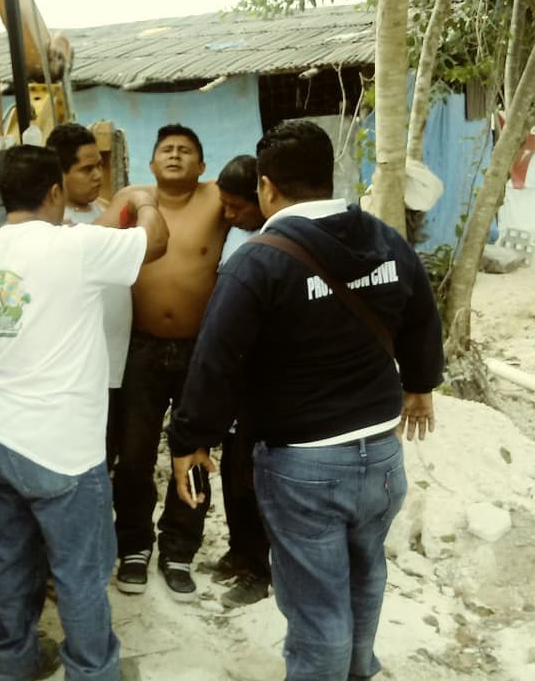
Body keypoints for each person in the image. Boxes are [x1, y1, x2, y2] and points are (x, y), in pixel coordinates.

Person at [167, 119, 444, 680]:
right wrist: (420, 383)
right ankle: (357, 670)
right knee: (365, 579)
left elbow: (216, 360)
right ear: (328, 176)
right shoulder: (384, 238)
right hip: (382, 457)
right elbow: (421, 313)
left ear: (267, 187)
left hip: (304, 467)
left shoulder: (258, 260)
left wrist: (191, 440)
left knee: (316, 606)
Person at [0, 145, 167, 681]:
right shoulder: (76, 246)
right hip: (63, 452)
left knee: (7, 564)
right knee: (80, 574)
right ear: (54, 193)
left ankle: (13, 663)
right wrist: (143, 200)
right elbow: (155, 242)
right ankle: (92, 672)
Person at [104, 123, 227, 601]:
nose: (175, 155)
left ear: (201, 165)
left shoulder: (217, 199)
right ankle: (133, 545)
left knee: (194, 452)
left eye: (186, 150)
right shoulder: (135, 202)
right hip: (142, 347)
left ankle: (179, 548)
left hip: (201, 350)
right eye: (166, 150)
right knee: (133, 455)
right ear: (152, 163)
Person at [47, 122, 129, 467]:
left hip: (118, 363)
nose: (98, 175)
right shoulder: (52, 225)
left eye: (99, 166)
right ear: (59, 174)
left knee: (111, 455)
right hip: (79, 373)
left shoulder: (105, 209)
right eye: (86, 168)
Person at [210, 154, 273, 608]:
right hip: (232, 378)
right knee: (233, 474)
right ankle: (239, 549)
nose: (228, 215)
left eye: (236, 207)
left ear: (262, 197)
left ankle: (260, 570)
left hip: (260, 386)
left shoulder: (276, 241)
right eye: (224, 206)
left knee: (254, 481)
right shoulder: (236, 235)